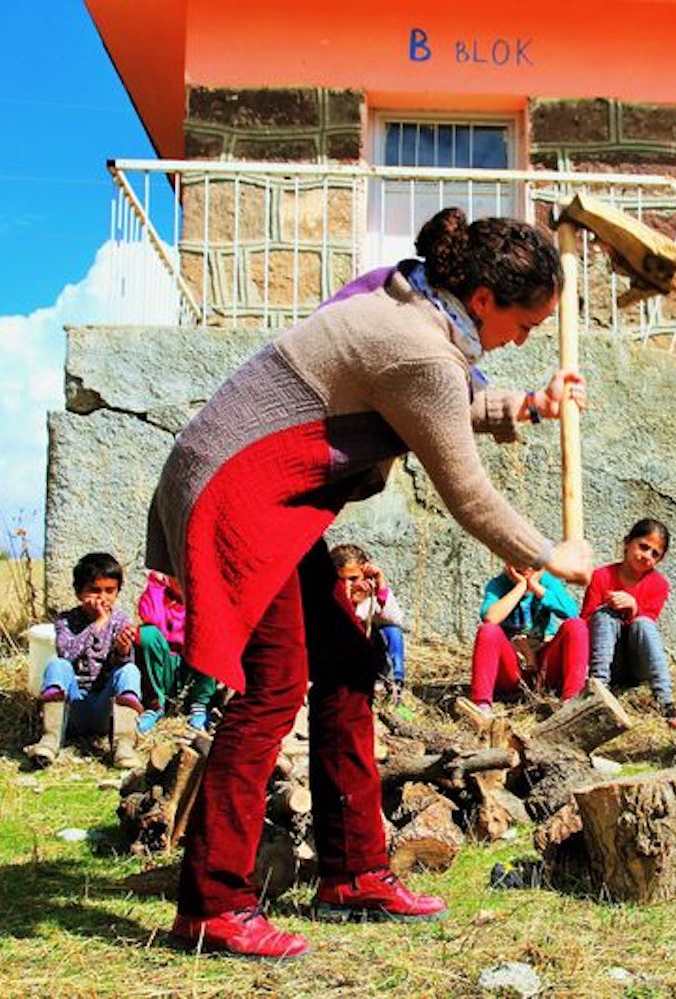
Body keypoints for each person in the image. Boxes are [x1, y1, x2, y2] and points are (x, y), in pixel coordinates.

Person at [146, 207, 592, 959]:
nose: (524, 339)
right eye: (524, 323)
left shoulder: (410, 297)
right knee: (273, 683)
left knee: (349, 664)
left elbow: (431, 403)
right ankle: (213, 905)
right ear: (483, 298)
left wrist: (528, 405)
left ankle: (352, 873)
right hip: (235, 492)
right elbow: (468, 492)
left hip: (262, 492)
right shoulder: (419, 347)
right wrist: (551, 554)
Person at [25, 552, 144, 769]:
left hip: (104, 709)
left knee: (130, 671)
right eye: (95, 590)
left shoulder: (120, 621)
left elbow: (122, 667)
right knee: (57, 665)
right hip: (71, 708)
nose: (102, 598)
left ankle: (124, 745)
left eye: (109, 591)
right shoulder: (65, 621)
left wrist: (123, 649)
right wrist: (97, 625)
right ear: (79, 592)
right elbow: (67, 653)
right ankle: (50, 739)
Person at [583, 518, 676, 729]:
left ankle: (666, 702)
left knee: (643, 623)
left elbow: (646, 632)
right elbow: (585, 624)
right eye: (643, 546)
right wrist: (607, 610)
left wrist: (634, 608)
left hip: (637, 665)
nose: (647, 556)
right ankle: (598, 690)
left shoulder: (658, 585)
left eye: (655, 554)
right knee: (603, 614)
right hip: (608, 660)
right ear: (627, 543)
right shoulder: (601, 576)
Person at [469, 563, 588, 713]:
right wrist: (520, 587)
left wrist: (535, 586)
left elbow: (572, 613)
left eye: (532, 561)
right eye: (519, 561)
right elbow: (491, 618)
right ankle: (481, 705)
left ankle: (572, 701)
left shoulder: (547, 581)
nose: (526, 567)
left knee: (576, 626)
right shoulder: (498, 584)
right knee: (488, 631)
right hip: (514, 669)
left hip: (545, 666)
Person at [134, 570, 217, 733]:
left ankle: (199, 704)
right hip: (163, 668)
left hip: (191, 670)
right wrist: (156, 586)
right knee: (147, 634)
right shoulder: (161, 594)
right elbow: (150, 616)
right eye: (176, 573)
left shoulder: (204, 598)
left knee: (211, 633)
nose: (182, 580)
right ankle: (155, 704)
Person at [328, 544, 408, 701]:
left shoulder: (369, 592)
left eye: (353, 579)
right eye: (341, 580)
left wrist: (380, 585)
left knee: (392, 632)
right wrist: (347, 601)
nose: (349, 585)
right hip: (336, 658)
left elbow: (394, 619)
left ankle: (393, 684)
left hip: (369, 655)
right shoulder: (328, 594)